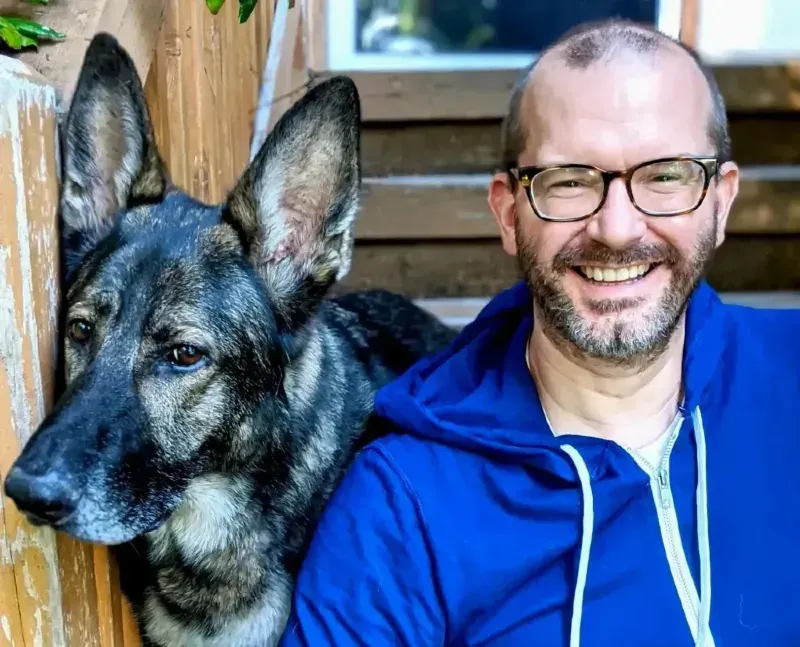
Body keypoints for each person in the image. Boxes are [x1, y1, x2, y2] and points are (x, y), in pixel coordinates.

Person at [277, 18, 800, 647]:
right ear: (507, 213)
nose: (616, 228)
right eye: (571, 181)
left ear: (721, 202)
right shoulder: (405, 507)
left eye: (665, 176)